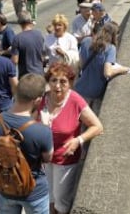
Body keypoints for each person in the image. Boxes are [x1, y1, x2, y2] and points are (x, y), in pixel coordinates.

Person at [35, 62, 103, 214]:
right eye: (53, 80)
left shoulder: (75, 101)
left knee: (61, 200)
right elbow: (31, 123)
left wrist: (78, 140)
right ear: (48, 82)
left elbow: (97, 126)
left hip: (65, 160)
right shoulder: (42, 100)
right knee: (49, 197)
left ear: (71, 83)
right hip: (44, 159)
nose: (57, 86)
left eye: (63, 82)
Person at [0, 73, 54, 214]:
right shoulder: (42, 131)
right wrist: (46, 126)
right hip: (34, 192)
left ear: (16, 92)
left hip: (6, 188)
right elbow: (48, 159)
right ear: (38, 100)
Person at [74, 22, 130, 111]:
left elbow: (80, 65)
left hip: (80, 88)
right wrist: (122, 69)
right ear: (114, 35)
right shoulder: (111, 48)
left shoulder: (86, 41)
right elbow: (107, 73)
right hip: (95, 93)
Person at [11, 11, 45, 79]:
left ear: (19, 23)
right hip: (39, 74)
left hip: (25, 76)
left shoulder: (17, 38)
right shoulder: (39, 34)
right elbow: (42, 56)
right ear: (30, 21)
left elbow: (15, 61)